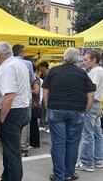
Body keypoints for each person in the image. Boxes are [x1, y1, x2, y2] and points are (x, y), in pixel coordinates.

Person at [42, 48, 95, 181]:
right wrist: (86, 110)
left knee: (58, 143)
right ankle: (69, 173)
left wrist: (48, 106)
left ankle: (59, 175)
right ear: (76, 59)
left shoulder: (54, 71)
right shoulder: (82, 73)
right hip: (77, 111)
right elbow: (91, 94)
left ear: (64, 58)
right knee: (73, 143)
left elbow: (46, 91)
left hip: (56, 109)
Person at [0, 41, 31, 181]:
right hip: (22, 109)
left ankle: (13, 178)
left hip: (12, 112)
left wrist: (2, 118)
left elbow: (9, 96)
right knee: (10, 150)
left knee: (12, 151)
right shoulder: (19, 63)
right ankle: (7, 177)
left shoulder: (8, 67)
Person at [76, 49, 103, 172]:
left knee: (88, 134)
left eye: (86, 59)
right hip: (97, 104)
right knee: (97, 133)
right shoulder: (99, 70)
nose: (84, 61)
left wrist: (86, 106)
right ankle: (98, 159)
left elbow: (91, 89)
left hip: (92, 104)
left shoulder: (95, 71)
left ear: (94, 60)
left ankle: (87, 163)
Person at [12, 44, 35, 157]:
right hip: (26, 97)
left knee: (12, 122)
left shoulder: (8, 64)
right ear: (22, 52)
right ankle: (24, 148)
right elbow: (32, 79)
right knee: (25, 123)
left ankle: (14, 146)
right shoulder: (28, 64)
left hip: (12, 97)